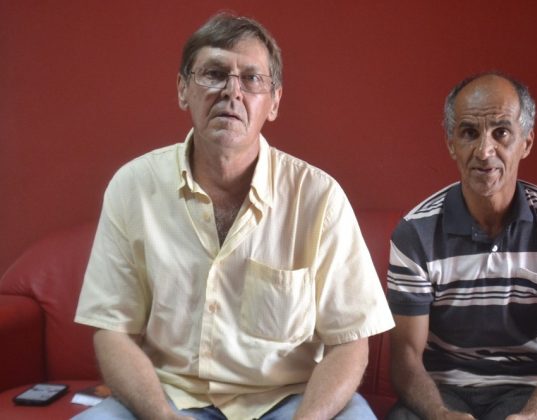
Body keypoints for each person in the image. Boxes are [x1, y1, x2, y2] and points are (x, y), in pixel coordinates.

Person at [74, 13, 394, 420]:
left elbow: (350, 342)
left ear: (274, 102)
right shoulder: (132, 187)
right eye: (214, 73)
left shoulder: (319, 197)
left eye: (252, 79)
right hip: (169, 396)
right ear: (183, 89)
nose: (232, 92)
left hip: (288, 400)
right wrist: (162, 417)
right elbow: (113, 330)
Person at [386, 72, 537, 420]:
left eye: (501, 132)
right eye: (469, 133)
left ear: (526, 142)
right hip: (441, 391)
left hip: (529, 391)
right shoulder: (415, 233)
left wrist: (533, 416)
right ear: (451, 144)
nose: (484, 151)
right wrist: (439, 414)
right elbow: (405, 355)